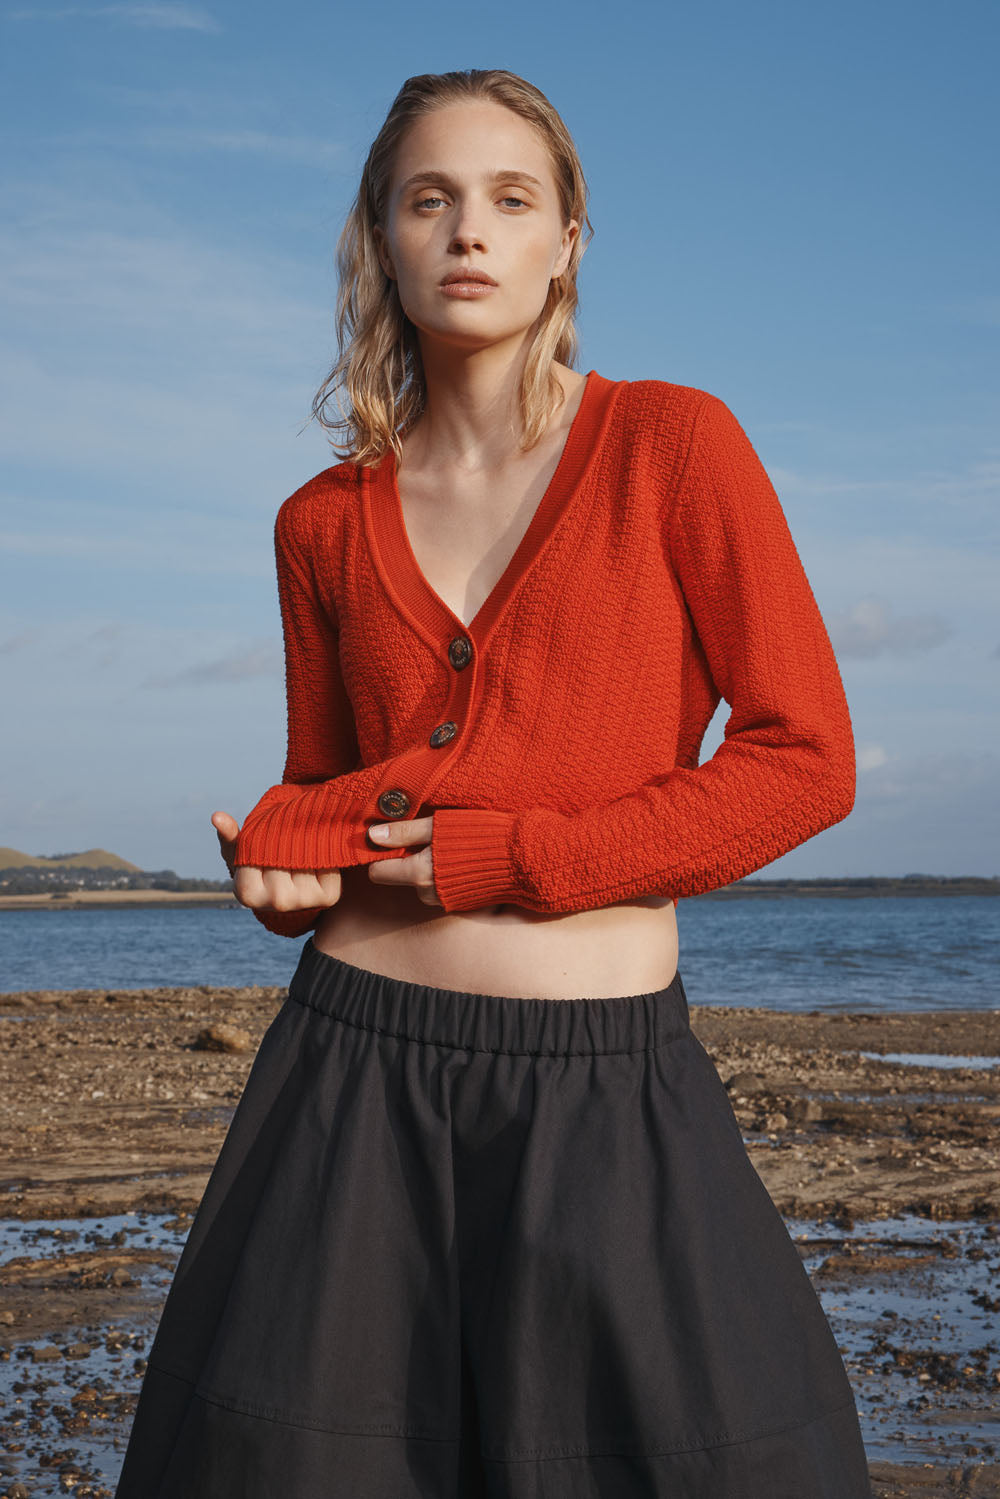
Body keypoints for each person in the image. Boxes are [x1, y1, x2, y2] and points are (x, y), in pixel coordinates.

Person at [114, 67, 872, 1499]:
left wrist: (516, 858)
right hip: (346, 1077)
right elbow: (327, 790)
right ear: (382, 240)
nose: (470, 231)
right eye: (431, 199)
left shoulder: (674, 447)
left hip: (606, 1078)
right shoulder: (319, 525)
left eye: (510, 200)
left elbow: (804, 761)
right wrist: (280, 871)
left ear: (565, 242)